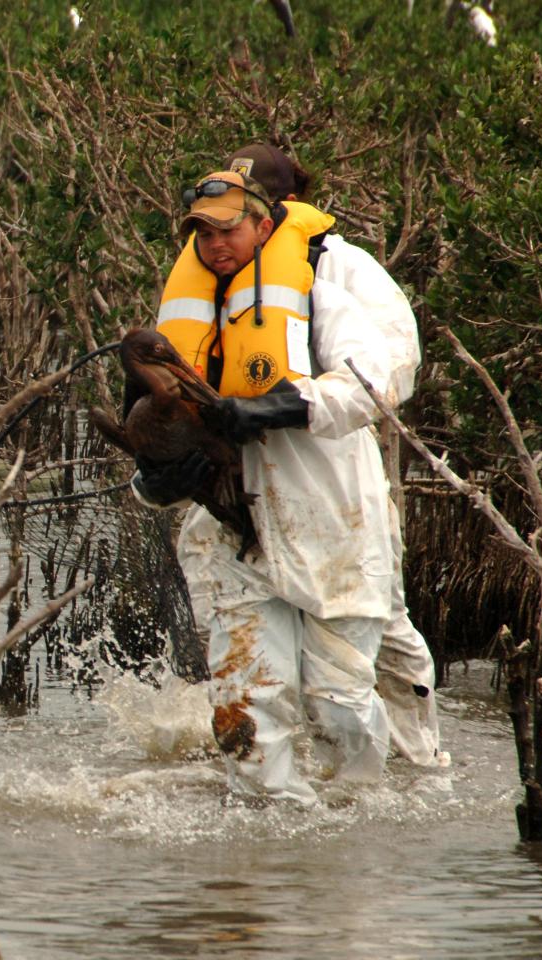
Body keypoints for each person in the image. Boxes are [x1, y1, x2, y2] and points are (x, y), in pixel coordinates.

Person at [134, 169, 398, 805]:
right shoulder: (175, 342)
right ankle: (269, 853)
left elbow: (373, 387)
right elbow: (149, 465)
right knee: (245, 715)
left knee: (339, 705)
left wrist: (271, 409)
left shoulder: (318, 304)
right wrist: (163, 479)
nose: (215, 244)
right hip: (230, 536)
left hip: (333, 526)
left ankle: (360, 829)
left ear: (262, 224)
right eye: (202, 232)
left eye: (227, 228)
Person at [223, 143, 448, 769]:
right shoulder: (216, 280)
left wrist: (286, 406)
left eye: (251, 208)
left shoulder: (339, 269)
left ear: (283, 207)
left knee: (389, 662)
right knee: (257, 692)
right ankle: (288, 807)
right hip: (244, 511)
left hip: (340, 505)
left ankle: (415, 776)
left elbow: (390, 372)